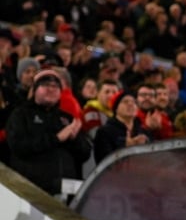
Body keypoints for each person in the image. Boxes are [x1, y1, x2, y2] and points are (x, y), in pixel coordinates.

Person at [5, 69, 92, 197]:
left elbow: (85, 154)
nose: (51, 89)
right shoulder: (21, 114)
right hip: (31, 190)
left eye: (55, 86)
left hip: (66, 190)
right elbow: (18, 146)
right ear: (35, 90)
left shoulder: (67, 118)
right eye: (45, 85)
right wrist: (56, 138)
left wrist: (75, 139)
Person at [94, 90, 150, 164]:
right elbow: (103, 161)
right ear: (116, 108)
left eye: (134, 102)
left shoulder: (143, 131)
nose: (130, 104)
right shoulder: (104, 132)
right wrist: (123, 147)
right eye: (125, 101)